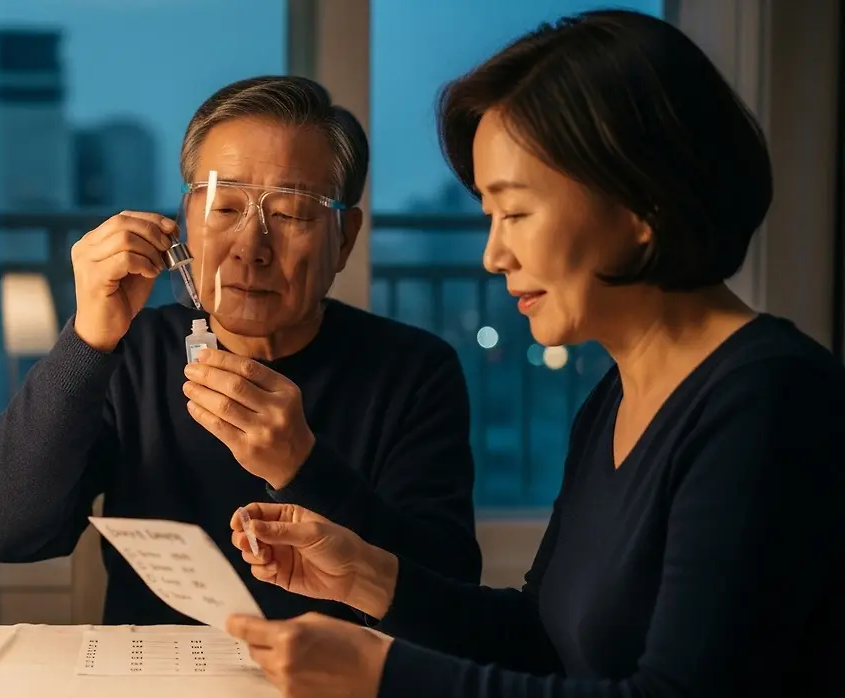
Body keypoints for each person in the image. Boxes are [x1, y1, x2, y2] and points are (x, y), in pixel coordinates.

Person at [221, 10, 844, 698]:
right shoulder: (615, 399)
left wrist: (381, 674)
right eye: (488, 217)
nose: (494, 255)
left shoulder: (769, 402)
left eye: (514, 213)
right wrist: (364, 575)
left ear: (644, 204)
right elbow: (541, 639)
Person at [0, 76, 483, 625]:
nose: (251, 247)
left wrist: (302, 466)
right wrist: (87, 340)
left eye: (290, 213)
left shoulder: (414, 372)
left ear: (345, 237)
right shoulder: (132, 352)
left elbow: (444, 591)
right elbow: (4, 532)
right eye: (224, 207)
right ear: (186, 218)